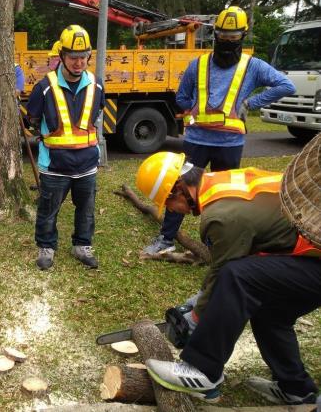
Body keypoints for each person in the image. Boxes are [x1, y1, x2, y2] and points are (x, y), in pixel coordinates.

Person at [135, 150, 321, 404]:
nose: (173, 211)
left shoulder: (219, 216)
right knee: (269, 309)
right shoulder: (225, 181)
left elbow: (226, 271)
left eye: (168, 204)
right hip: (308, 254)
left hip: (314, 258)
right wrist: (201, 299)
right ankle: (297, 389)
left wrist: (197, 316)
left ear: (179, 188)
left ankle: (202, 370)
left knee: (239, 276)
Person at [142, 6, 296, 257]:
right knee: (178, 188)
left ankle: (217, 243)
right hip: (196, 140)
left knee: (225, 197)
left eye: (233, 37)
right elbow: (181, 96)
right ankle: (166, 239)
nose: (227, 41)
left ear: (243, 36)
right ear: (215, 35)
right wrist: (193, 106)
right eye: (222, 36)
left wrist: (250, 104)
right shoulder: (198, 65)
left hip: (230, 143)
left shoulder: (253, 66)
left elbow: (285, 85)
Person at [26, 25, 105, 270]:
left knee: (87, 211)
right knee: (48, 210)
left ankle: (82, 245)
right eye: (73, 57)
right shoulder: (44, 87)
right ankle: (46, 247)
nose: (79, 62)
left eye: (83, 57)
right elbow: (33, 120)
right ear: (62, 56)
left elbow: (96, 114)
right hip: (54, 165)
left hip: (87, 164)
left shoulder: (97, 84)